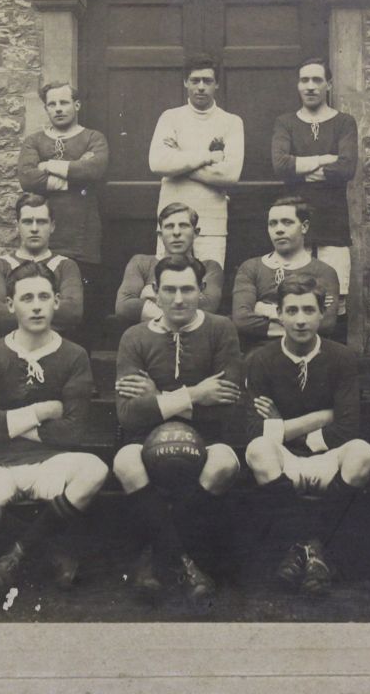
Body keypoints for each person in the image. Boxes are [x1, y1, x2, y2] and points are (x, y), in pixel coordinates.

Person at [0, 262, 107, 591]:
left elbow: (71, 430)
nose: (37, 305)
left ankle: (16, 553)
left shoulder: (74, 355)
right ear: (11, 304)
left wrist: (11, 422)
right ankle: (45, 550)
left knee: (95, 469)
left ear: (57, 301)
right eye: (27, 297)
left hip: (50, 462)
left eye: (44, 296)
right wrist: (42, 411)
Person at [112, 255, 243, 604]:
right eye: (169, 290)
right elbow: (127, 414)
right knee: (126, 462)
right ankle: (184, 561)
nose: (179, 298)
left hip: (209, 437)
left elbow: (227, 407)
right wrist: (197, 394)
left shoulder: (220, 329)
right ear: (155, 292)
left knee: (224, 464)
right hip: (143, 439)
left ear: (201, 291)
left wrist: (158, 399)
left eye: (187, 289)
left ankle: (156, 554)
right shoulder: (135, 337)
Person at [243, 275, 370, 596]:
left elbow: (347, 428)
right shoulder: (260, 360)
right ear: (279, 313)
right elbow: (250, 430)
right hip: (283, 460)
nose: (300, 320)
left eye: (308, 310)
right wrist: (320, 418)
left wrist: (282, 427)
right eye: (291, 311)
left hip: (326, 458)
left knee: (362, 453)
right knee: (259, 449)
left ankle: (298, 549)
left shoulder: (341, 358)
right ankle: (315, 551)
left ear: (322, 313)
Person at [271, 57, 359, 336]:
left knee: (335, 302)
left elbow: (346, 167)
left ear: (328, 85)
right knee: (297, 300)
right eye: (304, 80)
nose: (310, 87)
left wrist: (301, 168)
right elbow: (281, 166)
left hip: (333, 226)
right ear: (298, 85)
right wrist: (324, 159)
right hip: (297, 227)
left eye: (317, 80)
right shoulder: (285, 122)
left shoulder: (344, 122)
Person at [17, 81, 110, 331]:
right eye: (52, 104)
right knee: (43, 304)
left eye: (64, 102)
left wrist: (47, 166)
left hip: (83, 239)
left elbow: (95, 169)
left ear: (76, 105)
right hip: (45, 238)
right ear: (46, 108)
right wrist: (74, 173)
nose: (58, 108)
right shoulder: (34, 141)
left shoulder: (93, 138)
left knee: (80, 312)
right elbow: (26, 177)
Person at [148, 55, 244, 268]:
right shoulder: (170, 118)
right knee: (169, 282)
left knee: (208, 284)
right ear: (185, 82)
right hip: (172, 222)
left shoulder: (231, 122)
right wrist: (207, 157)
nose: (201, 87)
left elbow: (230, 174)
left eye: (207, 81)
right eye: (195, 80)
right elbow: (157, 163)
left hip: (212, 222)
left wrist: (178, 163)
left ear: (217, 84)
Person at [232, 196, 341, 354]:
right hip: (260, 353)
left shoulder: (323, 272)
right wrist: (303, 324)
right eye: (272, 223)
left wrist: (265, 310)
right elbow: (242, 320)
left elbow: (326, 324)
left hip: (307, 353)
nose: (279, 229)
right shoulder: (251, 267)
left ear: (304, 227)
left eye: (287, 222)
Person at [0, 193, 83, 340]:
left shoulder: (66, 266)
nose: (34, 229)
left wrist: (17, 313)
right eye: (28, 222)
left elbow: (72, 312)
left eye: (41, 222)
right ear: (17, 226)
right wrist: (49, 315)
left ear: (52, 226)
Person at [115, 201, 224, 323]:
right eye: (169, 226)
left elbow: (208, 307)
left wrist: (150, 294)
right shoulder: (141, 263)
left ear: (195, 233)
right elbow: (124, 307)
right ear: (161, 235)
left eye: (183, 225)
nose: (176, 232)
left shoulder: (209, 267)